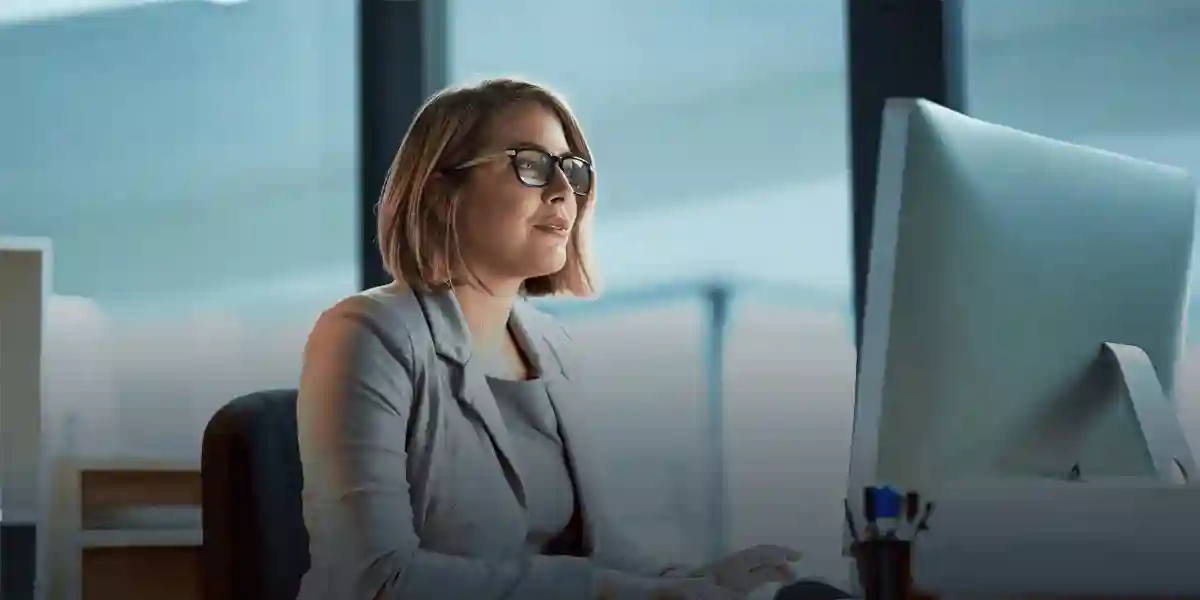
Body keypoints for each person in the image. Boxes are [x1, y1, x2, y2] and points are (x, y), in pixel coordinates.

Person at [295, 77, 802, 600]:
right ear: (440, 193)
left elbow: (598, 550)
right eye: (531, 164)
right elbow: (376, 580)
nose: (564, 191)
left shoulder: (552, 346)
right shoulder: (367, 335)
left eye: (572, 169)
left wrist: (694, 581)